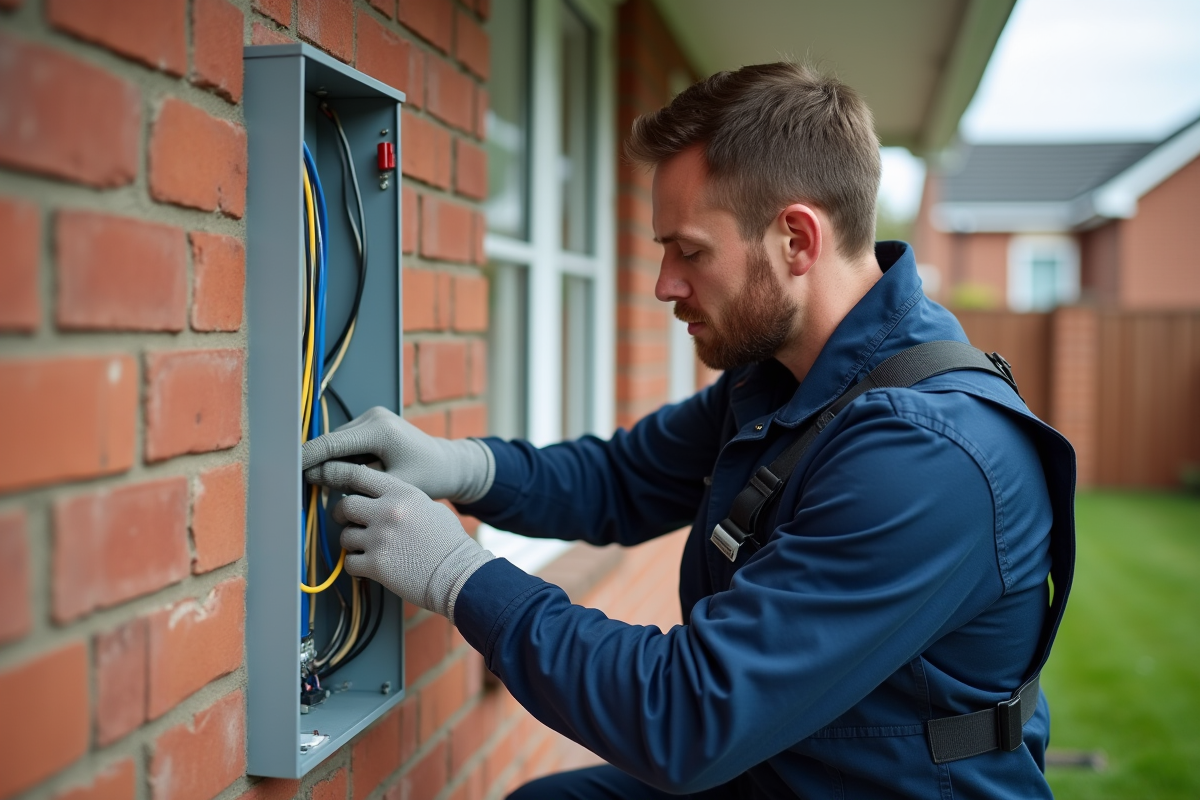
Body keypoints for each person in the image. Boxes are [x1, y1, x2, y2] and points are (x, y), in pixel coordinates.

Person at [302, 62, 1076, 799]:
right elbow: (623, 479)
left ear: (797, 241)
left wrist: (456, 576)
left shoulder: (926, 457)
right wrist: (463, 468)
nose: (665, 284)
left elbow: (688, 717)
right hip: (786, 770)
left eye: (690, 252)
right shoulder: (780, 376)